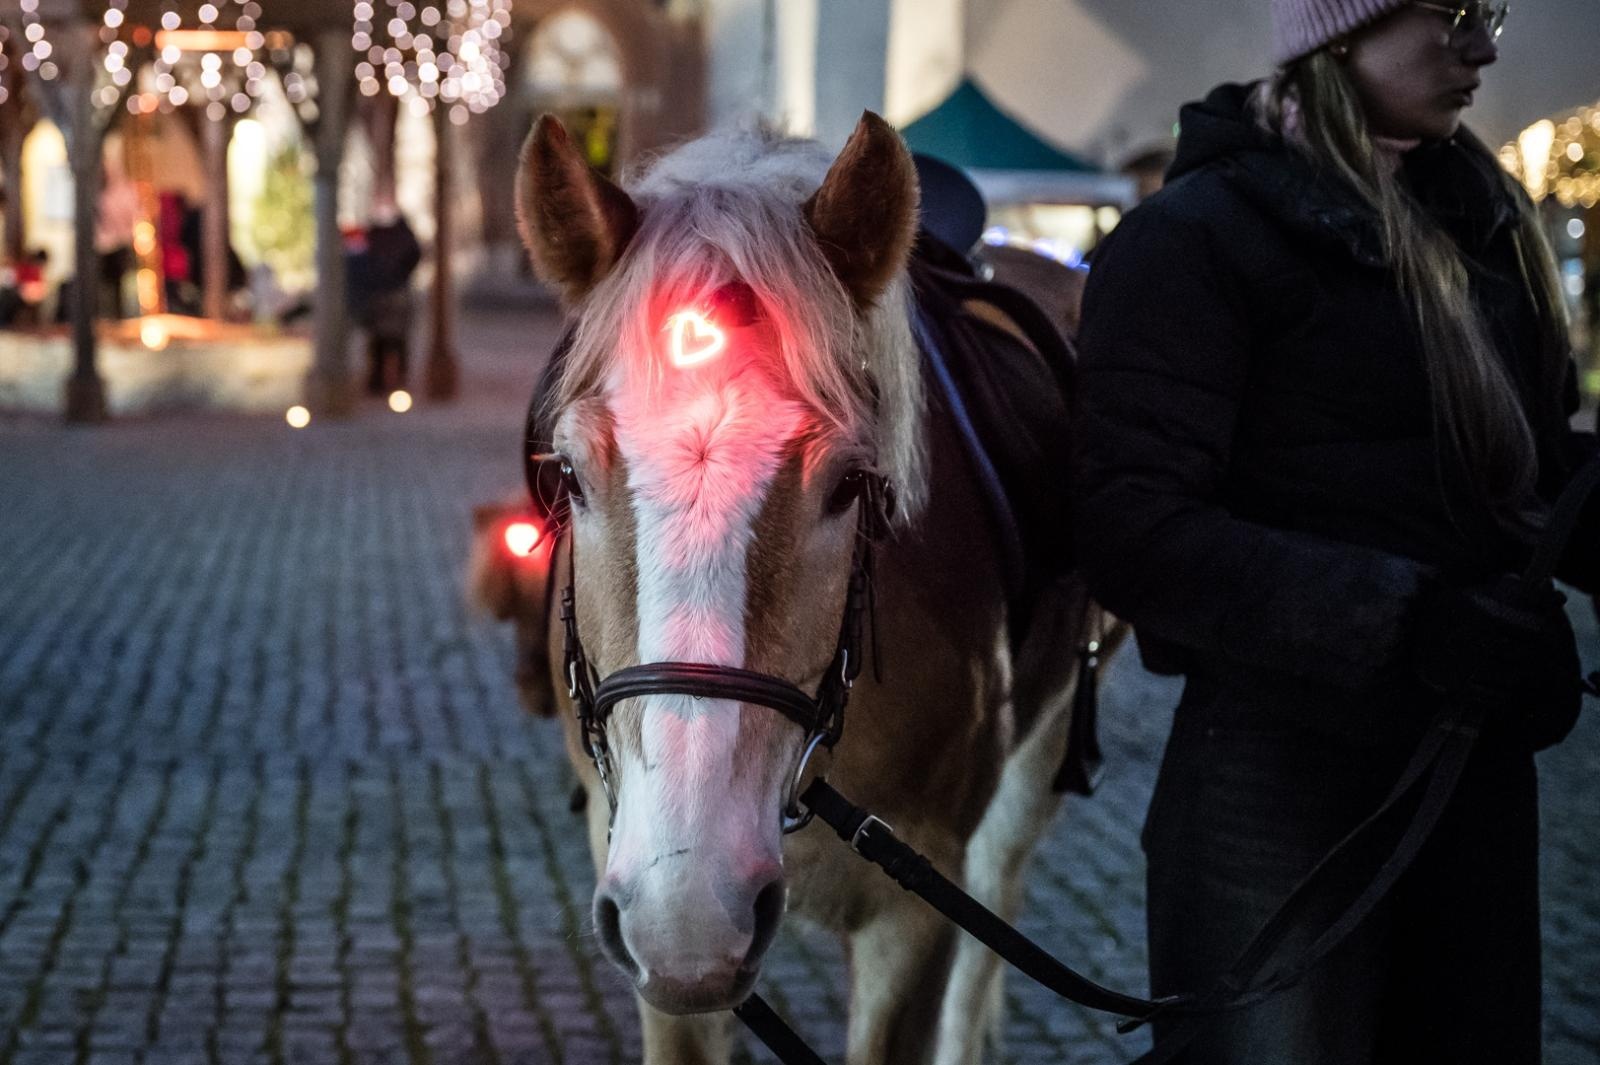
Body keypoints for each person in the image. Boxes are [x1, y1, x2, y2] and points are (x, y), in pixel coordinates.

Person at [1072, 2, 1597, 1063]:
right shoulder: (1193, 239)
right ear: (1339, 32)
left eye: (1487, 12)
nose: (1483, 48)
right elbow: (1131, 528)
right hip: (1274, 787)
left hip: (1467, 767)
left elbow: (1530, 469)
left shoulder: (1484, 229)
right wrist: (1409, 624)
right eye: (1452, 15)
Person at [347, 202, 421, 396]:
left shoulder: (378, 238)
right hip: (391, 296)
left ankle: (380, 380)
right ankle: (390, 379)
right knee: (392, 341)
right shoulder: (397, 238)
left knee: (384, 341)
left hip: (384, 296)